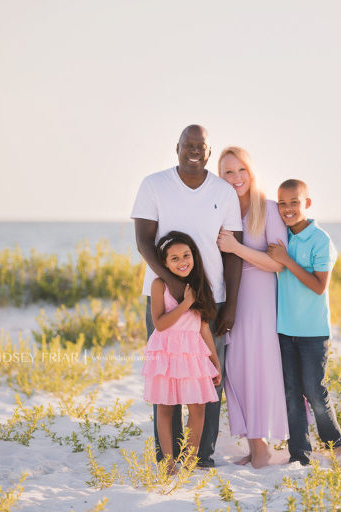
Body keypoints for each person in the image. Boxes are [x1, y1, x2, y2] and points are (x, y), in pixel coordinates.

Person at [131, 125, 243, 468]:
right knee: (168, 374)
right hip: (166, 298)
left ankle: (200, 456)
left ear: (209, 152)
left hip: (214, 298)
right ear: (176, 147)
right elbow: (144, 242)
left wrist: (231, 305)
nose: (194, 150)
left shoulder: (223, 192)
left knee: (207, 376)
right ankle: (167, 457)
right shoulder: (154, 184)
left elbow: (233, 252)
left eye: (201, 146)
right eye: (188, 144)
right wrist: (176, 288)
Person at [267, 179, 341, 466]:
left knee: (315, 391)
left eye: (294, 202)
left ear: (307, 204)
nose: (288, 209)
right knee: (291, 393)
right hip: (284, 329)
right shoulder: (281, 235)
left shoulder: (320, 240)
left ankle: (335, 444)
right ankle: (299, 454)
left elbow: (319, 286)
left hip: (313, 332)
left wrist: (287, 260)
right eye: (282, 203)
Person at [215, 147, 289, 468]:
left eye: (241, 170)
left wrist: (236, 247)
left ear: (251, 171)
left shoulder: (268, 209)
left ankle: (263, 447)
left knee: (259, 367)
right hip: (231, 296)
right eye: (228, 172)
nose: (236, 178)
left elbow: (277, 264)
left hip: (259, 299)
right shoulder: (220, 209)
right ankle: (254, 444)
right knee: (237, 369)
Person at [142, 231, 222, 474]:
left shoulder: (200, 285)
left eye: (186, 255)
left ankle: (190, 458)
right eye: (174, 258)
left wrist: (215, 362)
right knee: (166, 407)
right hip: (166, 352)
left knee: (198, 407)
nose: (182, 261)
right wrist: (186, 303)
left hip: (192, 353)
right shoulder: (159, 285)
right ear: (164, 263)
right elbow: (160, 323)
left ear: (194, 257)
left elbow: (204, 328)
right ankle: (168, 463)